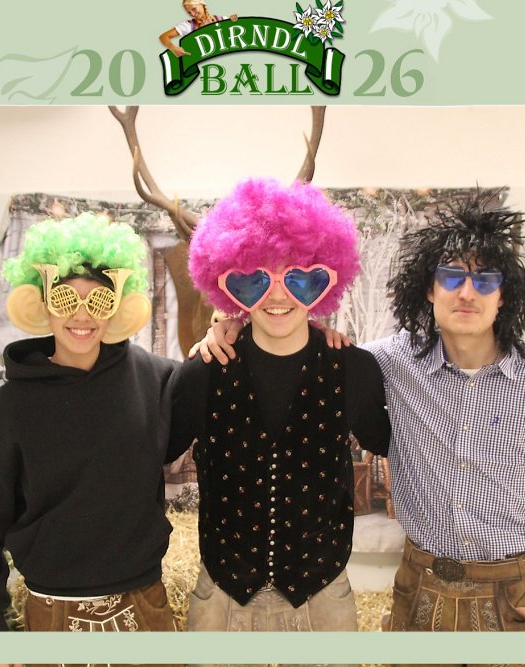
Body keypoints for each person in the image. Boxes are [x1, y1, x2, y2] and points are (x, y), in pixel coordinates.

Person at [197, 195, 525, 661]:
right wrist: (229, 323)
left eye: (485, 279)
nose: (467, 293)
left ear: (504, 294)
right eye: (452, 276)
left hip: (514, 590)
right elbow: (301, 340)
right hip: (421, 585)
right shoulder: (389, 361)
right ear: (429, 289)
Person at [168, 177, 391, 640]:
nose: (276, 295)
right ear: (228, 286)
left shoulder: (354, 370)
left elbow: (394, 441)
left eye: (298, 277)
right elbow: (150, 456)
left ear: (325, 282)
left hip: (322, 598)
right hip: (222, 599)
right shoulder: (201, 374)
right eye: (254, 279)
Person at [0, 213, 180, 645]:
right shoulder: (10, 407)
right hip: (53, 611)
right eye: (65, 299)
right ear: (43, 303)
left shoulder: (154, 378)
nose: (81, 315)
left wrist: (222, 332)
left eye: (98, 301)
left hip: (144, 603)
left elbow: (216, 382)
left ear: (117, 305)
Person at [159, 0, 237, 57]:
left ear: (202, 4)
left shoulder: (222, 19)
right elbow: (163, 37)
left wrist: (235, 20)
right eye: (189, 12)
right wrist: (173, 48)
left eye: (194, 9)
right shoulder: (187, 26)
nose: (192, 14)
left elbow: (235, 33)